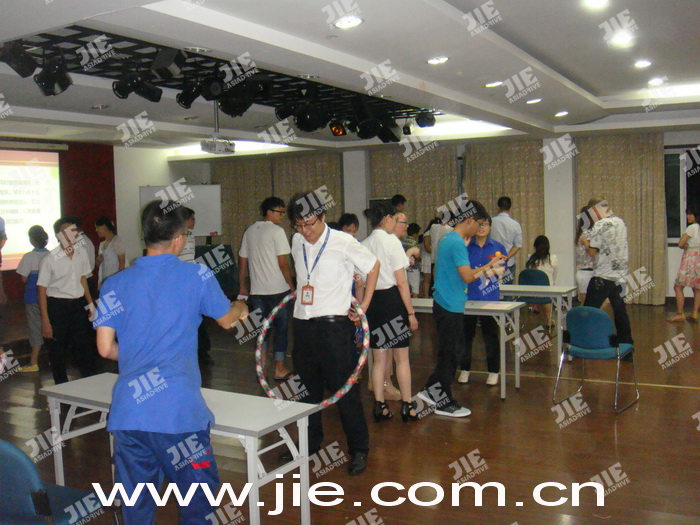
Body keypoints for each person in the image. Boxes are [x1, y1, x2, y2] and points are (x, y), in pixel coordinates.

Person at [95, 200, 248, 524]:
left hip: (129, 415)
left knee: (136, 507)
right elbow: (226, 320)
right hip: (179, 416)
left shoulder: (114, 284)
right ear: (179, 238)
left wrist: (138, 352)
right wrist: (240, 306)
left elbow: (106, 349)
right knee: (197, 505)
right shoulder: (196, 275)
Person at [283, 193, 380, 475]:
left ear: (323, 217)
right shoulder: (296, 241)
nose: (305, 230)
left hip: (334, 327)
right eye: (299, 225)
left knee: (344, 392)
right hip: (302, 325)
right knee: (306, 391)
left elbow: (373, 266)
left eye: (310, 223)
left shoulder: (342, 241)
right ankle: (309, 444)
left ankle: (359, 448)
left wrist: (364, 305)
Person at [417, 201, 506, 417]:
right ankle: (442, 401)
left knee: (452, 352)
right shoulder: (455, 242)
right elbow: (467, 276)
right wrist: (490, 267)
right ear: (469, 220)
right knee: (451, 354)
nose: (479, 229)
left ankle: (431, 391)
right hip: (449, 305)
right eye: (479, 224)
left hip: (449, 302)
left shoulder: (452, 240)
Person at [362, 204, 419, 423]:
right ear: (386, 218)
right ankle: (407, 405)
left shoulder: (364, 244)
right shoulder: (391, 241)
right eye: (395, 219)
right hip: (392, 301)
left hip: (373, 302)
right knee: (401, 359)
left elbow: (360, 282)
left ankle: (380, 405)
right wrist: (411, 312)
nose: (396, 223)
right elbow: (402, 283)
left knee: (378, 360)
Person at [238, 197, 294, 380]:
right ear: (269, 212)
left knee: (262, 331)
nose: (282, 216)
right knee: (281, 331)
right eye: (280, 212)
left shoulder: (249, 231)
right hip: (279, 291)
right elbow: (283, 264)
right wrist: (292, 286)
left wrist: (243, 286)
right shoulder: (277, 232)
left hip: (257, 292)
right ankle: (279, 368)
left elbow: (242, 261)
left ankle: (261, 367)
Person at [37, 218, 98, 384]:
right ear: (59, 236)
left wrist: (90, 304)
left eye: (74, 230)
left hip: (78, 305)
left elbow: (83, 278)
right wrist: (45, 321)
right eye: (67, 231)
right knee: (57, 349)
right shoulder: (49, 259)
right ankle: (61, 386)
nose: (72, 234)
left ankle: (90, 382)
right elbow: (41, 290)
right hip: (57, 306)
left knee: (84, 345)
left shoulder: (81, 252)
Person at [458, 218, 506, 386]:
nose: (481, 228)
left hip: (489, 298)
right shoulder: (465, 246)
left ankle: (493, 371)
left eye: (485, 224)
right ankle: (464, 369)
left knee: (490, 336)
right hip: (468, 297)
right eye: (479, 224)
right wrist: (487, 270)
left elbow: (502, 269)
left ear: (490, 227)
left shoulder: (497, 247)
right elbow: (462, 271)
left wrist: (483, 272)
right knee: (466, 336)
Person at [580, 199, 633, 344]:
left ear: (595, 210)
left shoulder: (600, 225)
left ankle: (583, 341)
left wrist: (585, 242)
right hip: (620, 276)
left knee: (588, 311)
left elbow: (592, 252)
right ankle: (626, 343)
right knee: (620, 311)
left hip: (602, 276)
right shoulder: (621, 222)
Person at [179, 207, 214, 366]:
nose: (195, 222)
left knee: (197, 317)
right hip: (181, 284)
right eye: (192, 219)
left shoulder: (191, 237)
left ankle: (202, 351)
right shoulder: (176, 238)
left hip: (192, 283)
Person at [15, 225, 50, 372]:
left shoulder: (28, 257)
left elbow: (24, 278)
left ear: (31, 240)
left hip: (32, 297)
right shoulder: (51, 255)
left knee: (35, 328)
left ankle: (33, 362)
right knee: (50, 326)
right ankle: (52, 358)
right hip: (49, 297)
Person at [668, 204, 700, 322]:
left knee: (678, 286)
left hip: (691, 259)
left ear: (696, 215)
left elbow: (681, 243)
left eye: (690, 214)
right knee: (697, 288)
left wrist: (685, 245)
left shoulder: (692, 228)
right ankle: (695, 313)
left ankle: (680, 313)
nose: (688, 216)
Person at [525, 235, 558, 328]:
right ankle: (548, 320)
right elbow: (555, 274)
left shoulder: (529, 258)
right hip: (547, 292)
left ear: (535, 246)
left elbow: (527, 273)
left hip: (531, 293)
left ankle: (536, 307)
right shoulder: (552, 259)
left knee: (539, 292)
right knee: (549, 292)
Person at [490, 196, 523, 285]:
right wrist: (506, 257)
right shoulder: (515, 224)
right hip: (509, 263)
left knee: (491, 289)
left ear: (498, 207)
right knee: (508, 291)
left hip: (492, 262)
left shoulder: (490, 222)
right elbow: (518, 245)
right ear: (510, 207)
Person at [95, 216, 127, 290]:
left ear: (105, 227)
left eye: (98, 228)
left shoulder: (117, 241)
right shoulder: (102, 244)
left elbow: (122, 265)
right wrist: (98, 260)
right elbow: (98, 265)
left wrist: (120, 283)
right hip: (104, 281)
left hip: (115, 282)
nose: (96, 230)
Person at [575, 206, 596, 304]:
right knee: (587, 303)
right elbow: (591, 252)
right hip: (587, 273)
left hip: (584, 272)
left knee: (586, 302)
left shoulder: (582, 233)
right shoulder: (587, 233)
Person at [420, 218, 439, 298]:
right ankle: (425, 296)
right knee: (427, 279)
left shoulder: (437, 233)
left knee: (433, 278)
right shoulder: (427, 233)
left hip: (434, 258)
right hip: (427, 258)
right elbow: (427, 247)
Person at [402, 223, 422, 297]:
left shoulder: (402, 241)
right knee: (415, 288)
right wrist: (420, 259)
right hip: (414, 268)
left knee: (405, 287)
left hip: (404, 267)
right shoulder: (414, 242)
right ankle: (414, 301)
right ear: (415, 233)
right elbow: (417, 256)